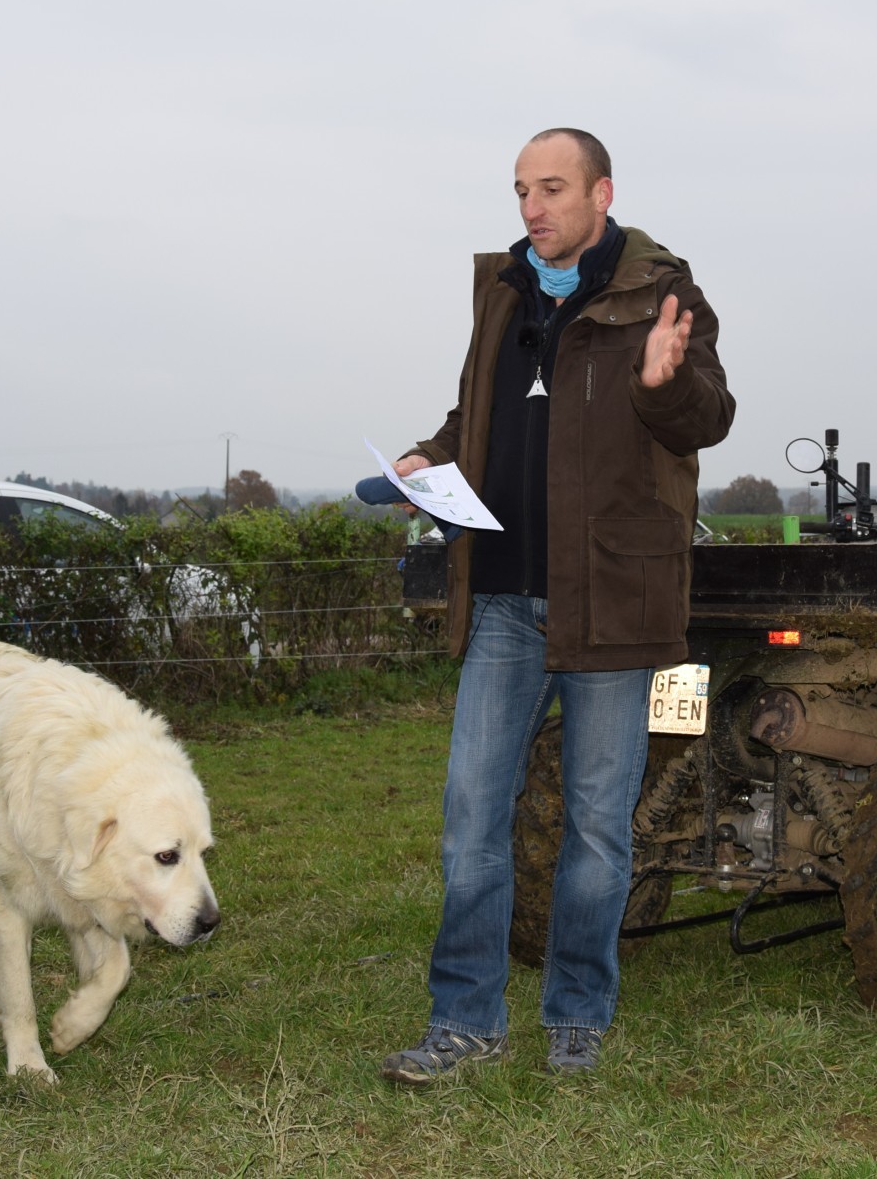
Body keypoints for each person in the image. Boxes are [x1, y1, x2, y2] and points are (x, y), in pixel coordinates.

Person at [381, 129, 734, 1082]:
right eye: (520, 191)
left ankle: (577, 1015)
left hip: (612, 603)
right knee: (471, 822)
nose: (532, 208)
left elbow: (708, 414)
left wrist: (661, 382)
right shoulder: (500, 292)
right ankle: (465, 1022)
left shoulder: (662, 290)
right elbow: (479, 416)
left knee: (592, 829)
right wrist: (430, 455)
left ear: (601, 193)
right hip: (500, 597)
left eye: (551, 189)